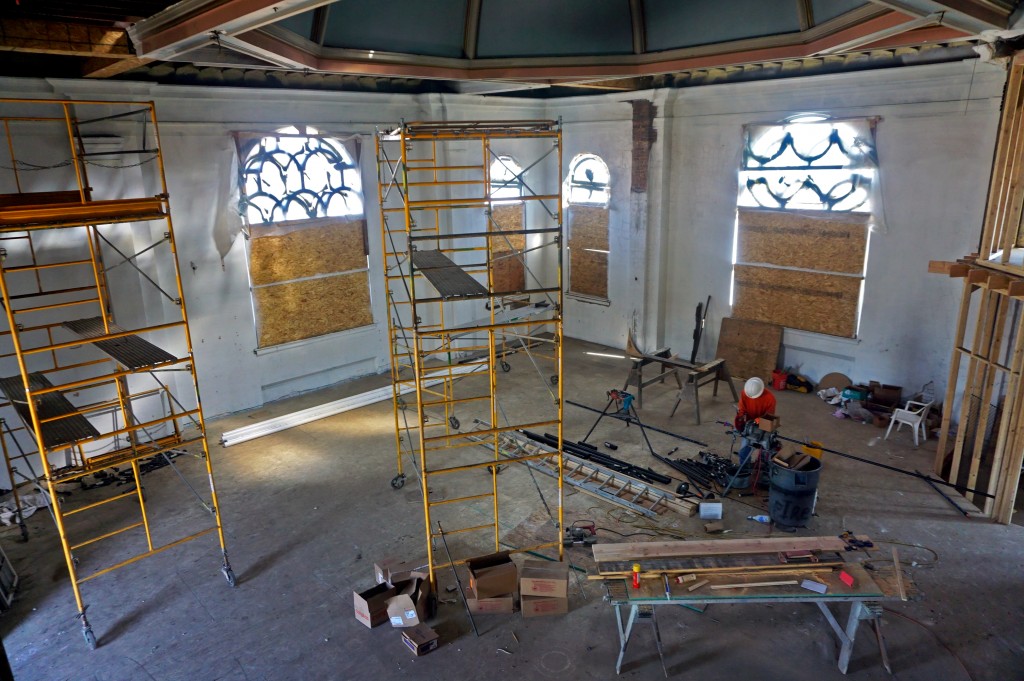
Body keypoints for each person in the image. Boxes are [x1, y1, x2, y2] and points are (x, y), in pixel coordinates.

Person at [735, 377, 777, 465]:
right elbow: (742, 409)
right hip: (750, 423)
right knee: (744, 450)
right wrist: (740, 419)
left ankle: (761, 467)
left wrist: (757, 420)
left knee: (765, 449)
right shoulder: (745, 393)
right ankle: (744, 469)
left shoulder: (770, 398)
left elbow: (769, 416)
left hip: (765, 423)